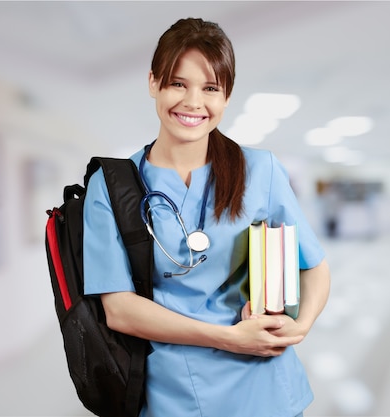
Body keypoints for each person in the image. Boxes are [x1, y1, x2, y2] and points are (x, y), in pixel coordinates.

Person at [83, 18, 331, 417]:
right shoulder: (111, 185)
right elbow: (120, 309)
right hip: (175, 396)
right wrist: (229, 338)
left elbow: (314, 267)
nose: (193, 102)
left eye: (210, 88)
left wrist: (300, 325)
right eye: (178, 83)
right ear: (153, 83)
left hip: (268, 391)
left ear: (227, 96)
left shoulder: (260, 170)